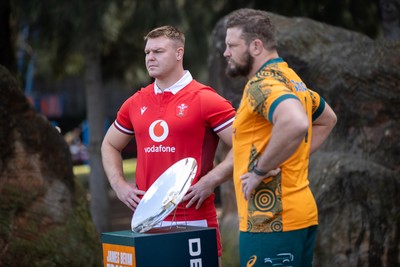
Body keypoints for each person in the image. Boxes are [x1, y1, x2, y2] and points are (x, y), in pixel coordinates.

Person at [101, 25, 235, 266]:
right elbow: (110, 144)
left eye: (158, 51)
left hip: (195, 219)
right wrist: (118, 184)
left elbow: (245, 145)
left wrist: (211, 180)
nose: (150, 57)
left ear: (178, 53)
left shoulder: (206, 98)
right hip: (146, 222)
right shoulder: (135, 102)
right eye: (147, 52)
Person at [223, 8, 337, 267]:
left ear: (256, 46)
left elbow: (295, 122)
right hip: (300, 215)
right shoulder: (292, 80)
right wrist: (290, 155)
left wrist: (260, 170)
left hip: (269, 222)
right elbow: (327, 119)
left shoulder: (261, 85)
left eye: (232, 45)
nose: (226, 53)